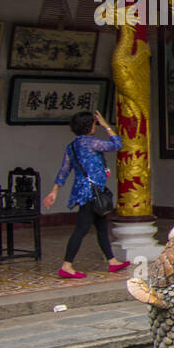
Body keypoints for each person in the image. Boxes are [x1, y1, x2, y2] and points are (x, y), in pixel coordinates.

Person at [43, 110, 130, 279]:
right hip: (92, 193)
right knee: (81, 230)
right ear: (89, 126)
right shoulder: (92, 143)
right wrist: (106, 126)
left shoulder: (72, 147)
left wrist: (55, 190)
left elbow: (64, 170)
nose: (96, 126)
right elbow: (117, 144)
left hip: (84, 192)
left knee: (102, 227)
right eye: (94, 124)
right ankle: (67, 265)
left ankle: (112, 261)